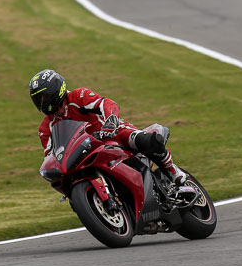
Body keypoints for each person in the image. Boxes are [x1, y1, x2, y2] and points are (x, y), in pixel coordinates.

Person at [29, 69, 187, 185]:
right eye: (38, 99)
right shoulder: (45, 128)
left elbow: (106, 103)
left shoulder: (78, 96)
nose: (43, 102)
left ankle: (174, 173)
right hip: (84, 154)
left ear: (58, 89)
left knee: (144, 140)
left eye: (45, 96)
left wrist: (110, 122)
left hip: (112, 135)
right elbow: (50, 155)